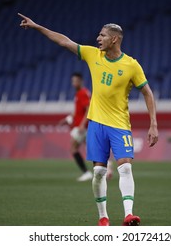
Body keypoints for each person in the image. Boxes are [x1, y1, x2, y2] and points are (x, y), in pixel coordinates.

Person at [18, 13, 159, 226]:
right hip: (96, 126)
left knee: (126, 167)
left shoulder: (132, 65)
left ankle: (129, 214)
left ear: (114, 39)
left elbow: (147, 92)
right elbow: (64, 41)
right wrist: (38, 27)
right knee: (100, 172)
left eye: (102, 35)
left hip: (120, 125)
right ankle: (103, 217)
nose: (98, 38)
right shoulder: (93, 55)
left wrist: (153, 125)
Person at [59, 72, 93, 182]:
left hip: (83, 127)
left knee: (73, 148)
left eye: (75, 81)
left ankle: (87, 173)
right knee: (93, 149)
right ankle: (107, 168)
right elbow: (77, 112)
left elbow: (89, 109)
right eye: (72, 81)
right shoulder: (78, 94)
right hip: (82, 126)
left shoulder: (83, 93)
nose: (73, 83)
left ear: (80, 81)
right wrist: (67, 119)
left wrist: (83, 124)